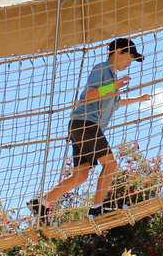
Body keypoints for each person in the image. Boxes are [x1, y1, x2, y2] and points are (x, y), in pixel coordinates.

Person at [28, 37, 150, 220]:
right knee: (111, 164)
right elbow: (89, 96)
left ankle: (42, 203)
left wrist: (138, 99)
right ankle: (96, 209)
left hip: (80, 126)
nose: (130, 63)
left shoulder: (112, 77)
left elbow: (115, 103)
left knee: (81, 175)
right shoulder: (102, 69)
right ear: (118, 52)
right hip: (86, 124)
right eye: (129, 58)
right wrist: (114, 86)